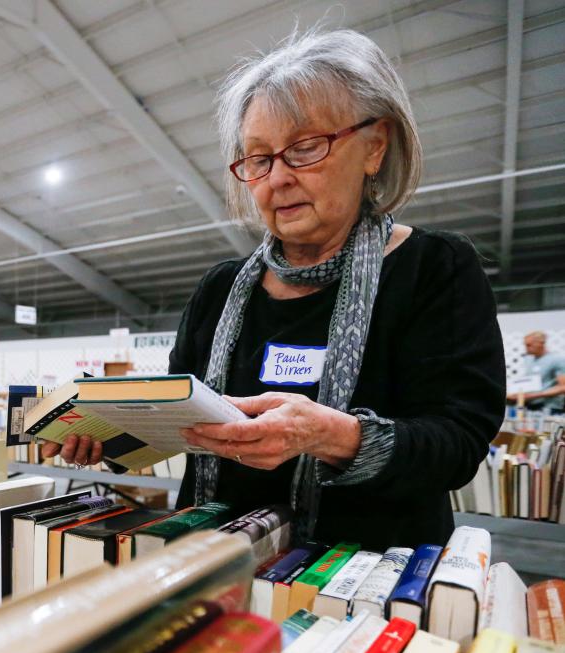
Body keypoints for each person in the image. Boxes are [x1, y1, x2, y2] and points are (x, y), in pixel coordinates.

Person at [44, 28, 505, 550]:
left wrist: (330, 436)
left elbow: (460, 442)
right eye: (258, 159)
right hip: (213, 562)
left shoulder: (434, 268)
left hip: (358, 582)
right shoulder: (219, 289)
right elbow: (180, 420)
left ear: (375, 147)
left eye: (304, 148)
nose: (276, 178)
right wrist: (107, 440)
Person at [507, 331, 565, 413]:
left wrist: (532, 395)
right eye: (525, 345)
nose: (526, 347)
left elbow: (563, 387)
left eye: (529, 345)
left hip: (549, 408)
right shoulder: (528, 360)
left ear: (541, 343)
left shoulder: (557, 360)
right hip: (529, 407)